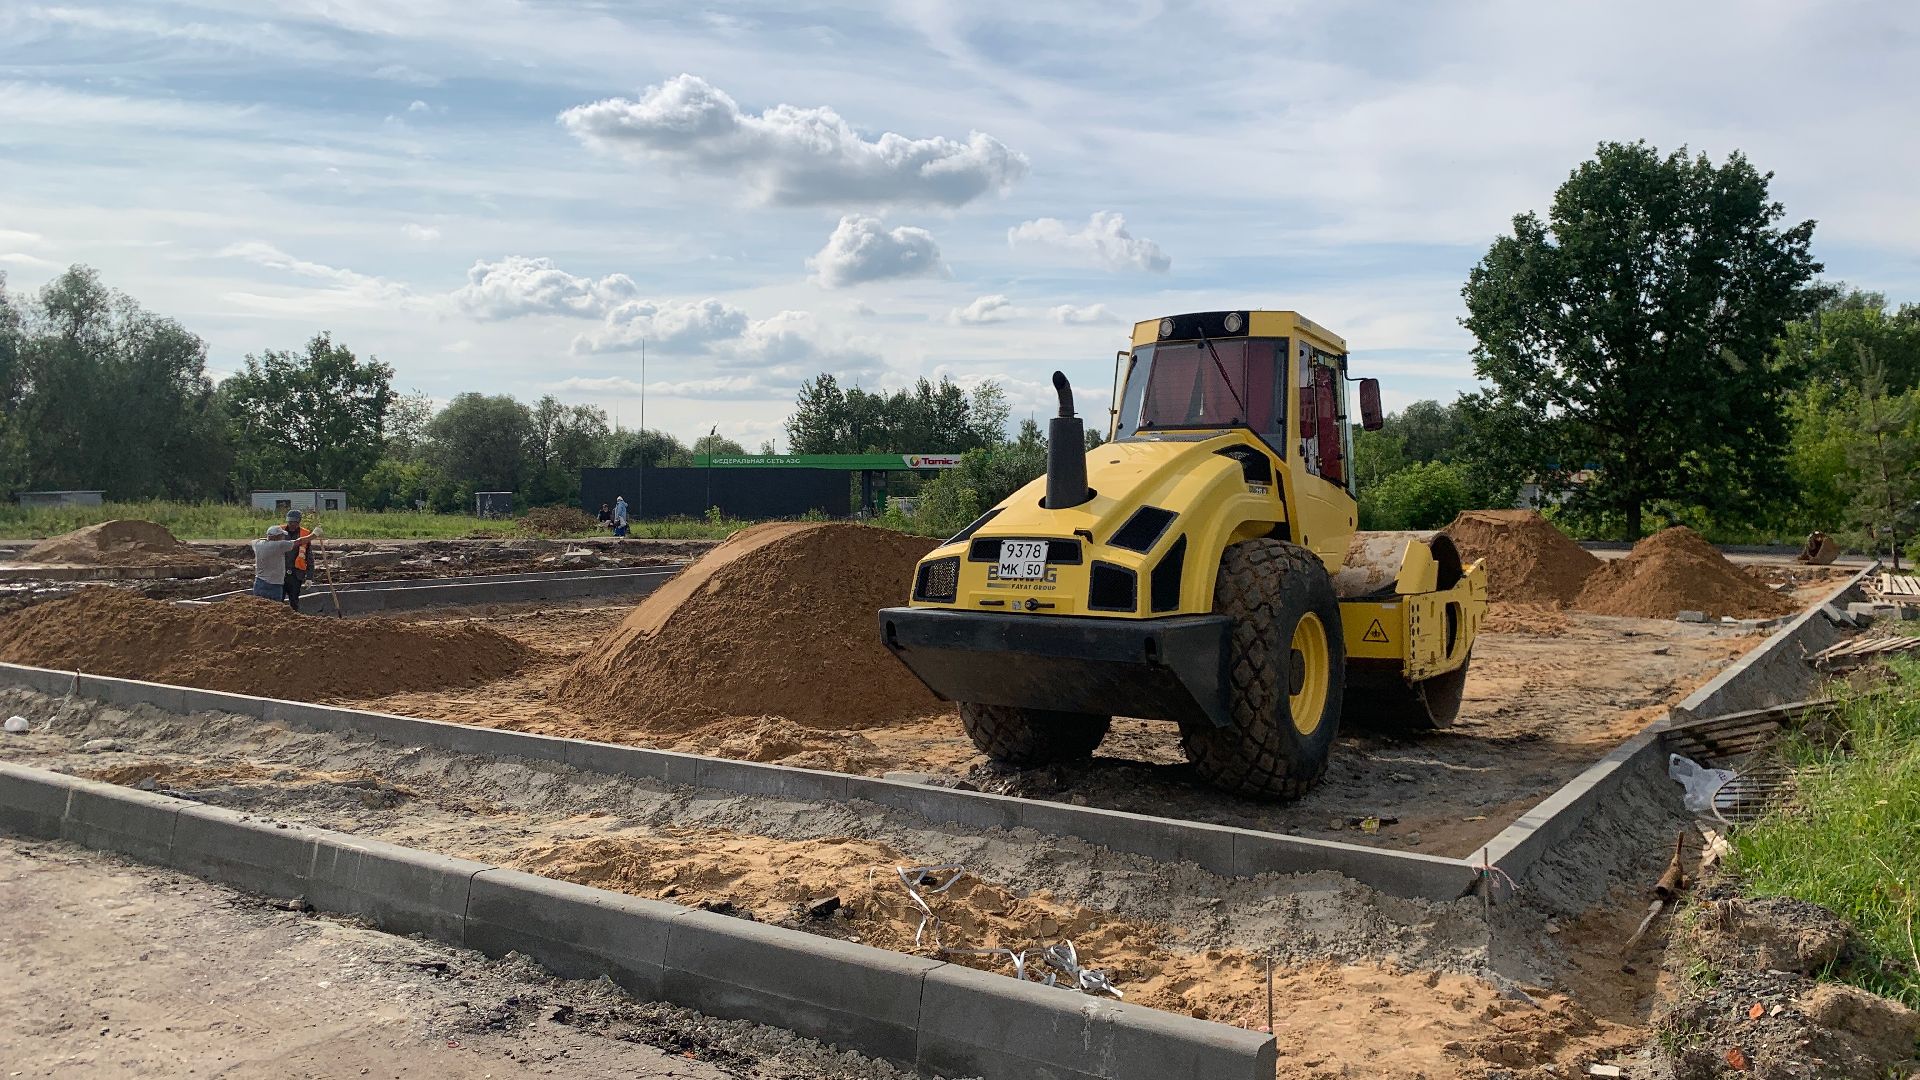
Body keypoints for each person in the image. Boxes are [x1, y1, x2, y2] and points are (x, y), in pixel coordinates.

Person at [250, 524, 319, 602]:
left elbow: (258, 540)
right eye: (282, 536)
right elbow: (299, 541)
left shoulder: (257, 544)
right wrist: (314, 535)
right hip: (274, 585)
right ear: (276, 537)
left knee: (259, 609)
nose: (283, 538)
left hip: (259, 583)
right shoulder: (280, 545)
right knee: (275, 610)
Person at [281, 509, 318, 611]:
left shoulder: (304, 534)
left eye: (295, 522)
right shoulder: (279, 532)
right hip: (280, 573)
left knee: (294, 601)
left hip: (296, 574)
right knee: (278, 601)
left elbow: (309, 557)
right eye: (290, 522)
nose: (292, 524)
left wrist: (309, 577)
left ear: (299, 522)